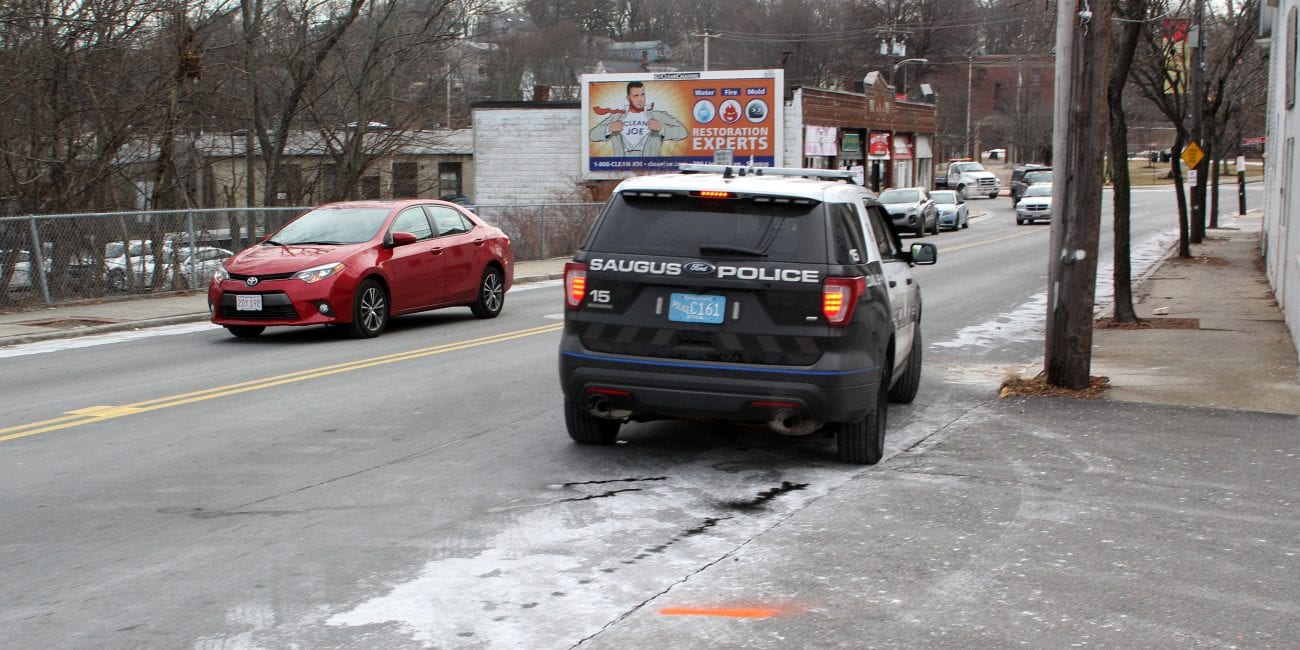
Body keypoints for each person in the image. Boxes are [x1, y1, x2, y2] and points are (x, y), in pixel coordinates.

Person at [589, 81, 686, 156]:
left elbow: (683, 132)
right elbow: (592, 135)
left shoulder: (656, 115)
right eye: (636, 96)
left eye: (642, 94)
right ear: (628, 98)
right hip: (621, 167)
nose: (640, 99)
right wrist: (609, 128)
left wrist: (662, 128)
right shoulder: (617, 117)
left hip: (651, 166)